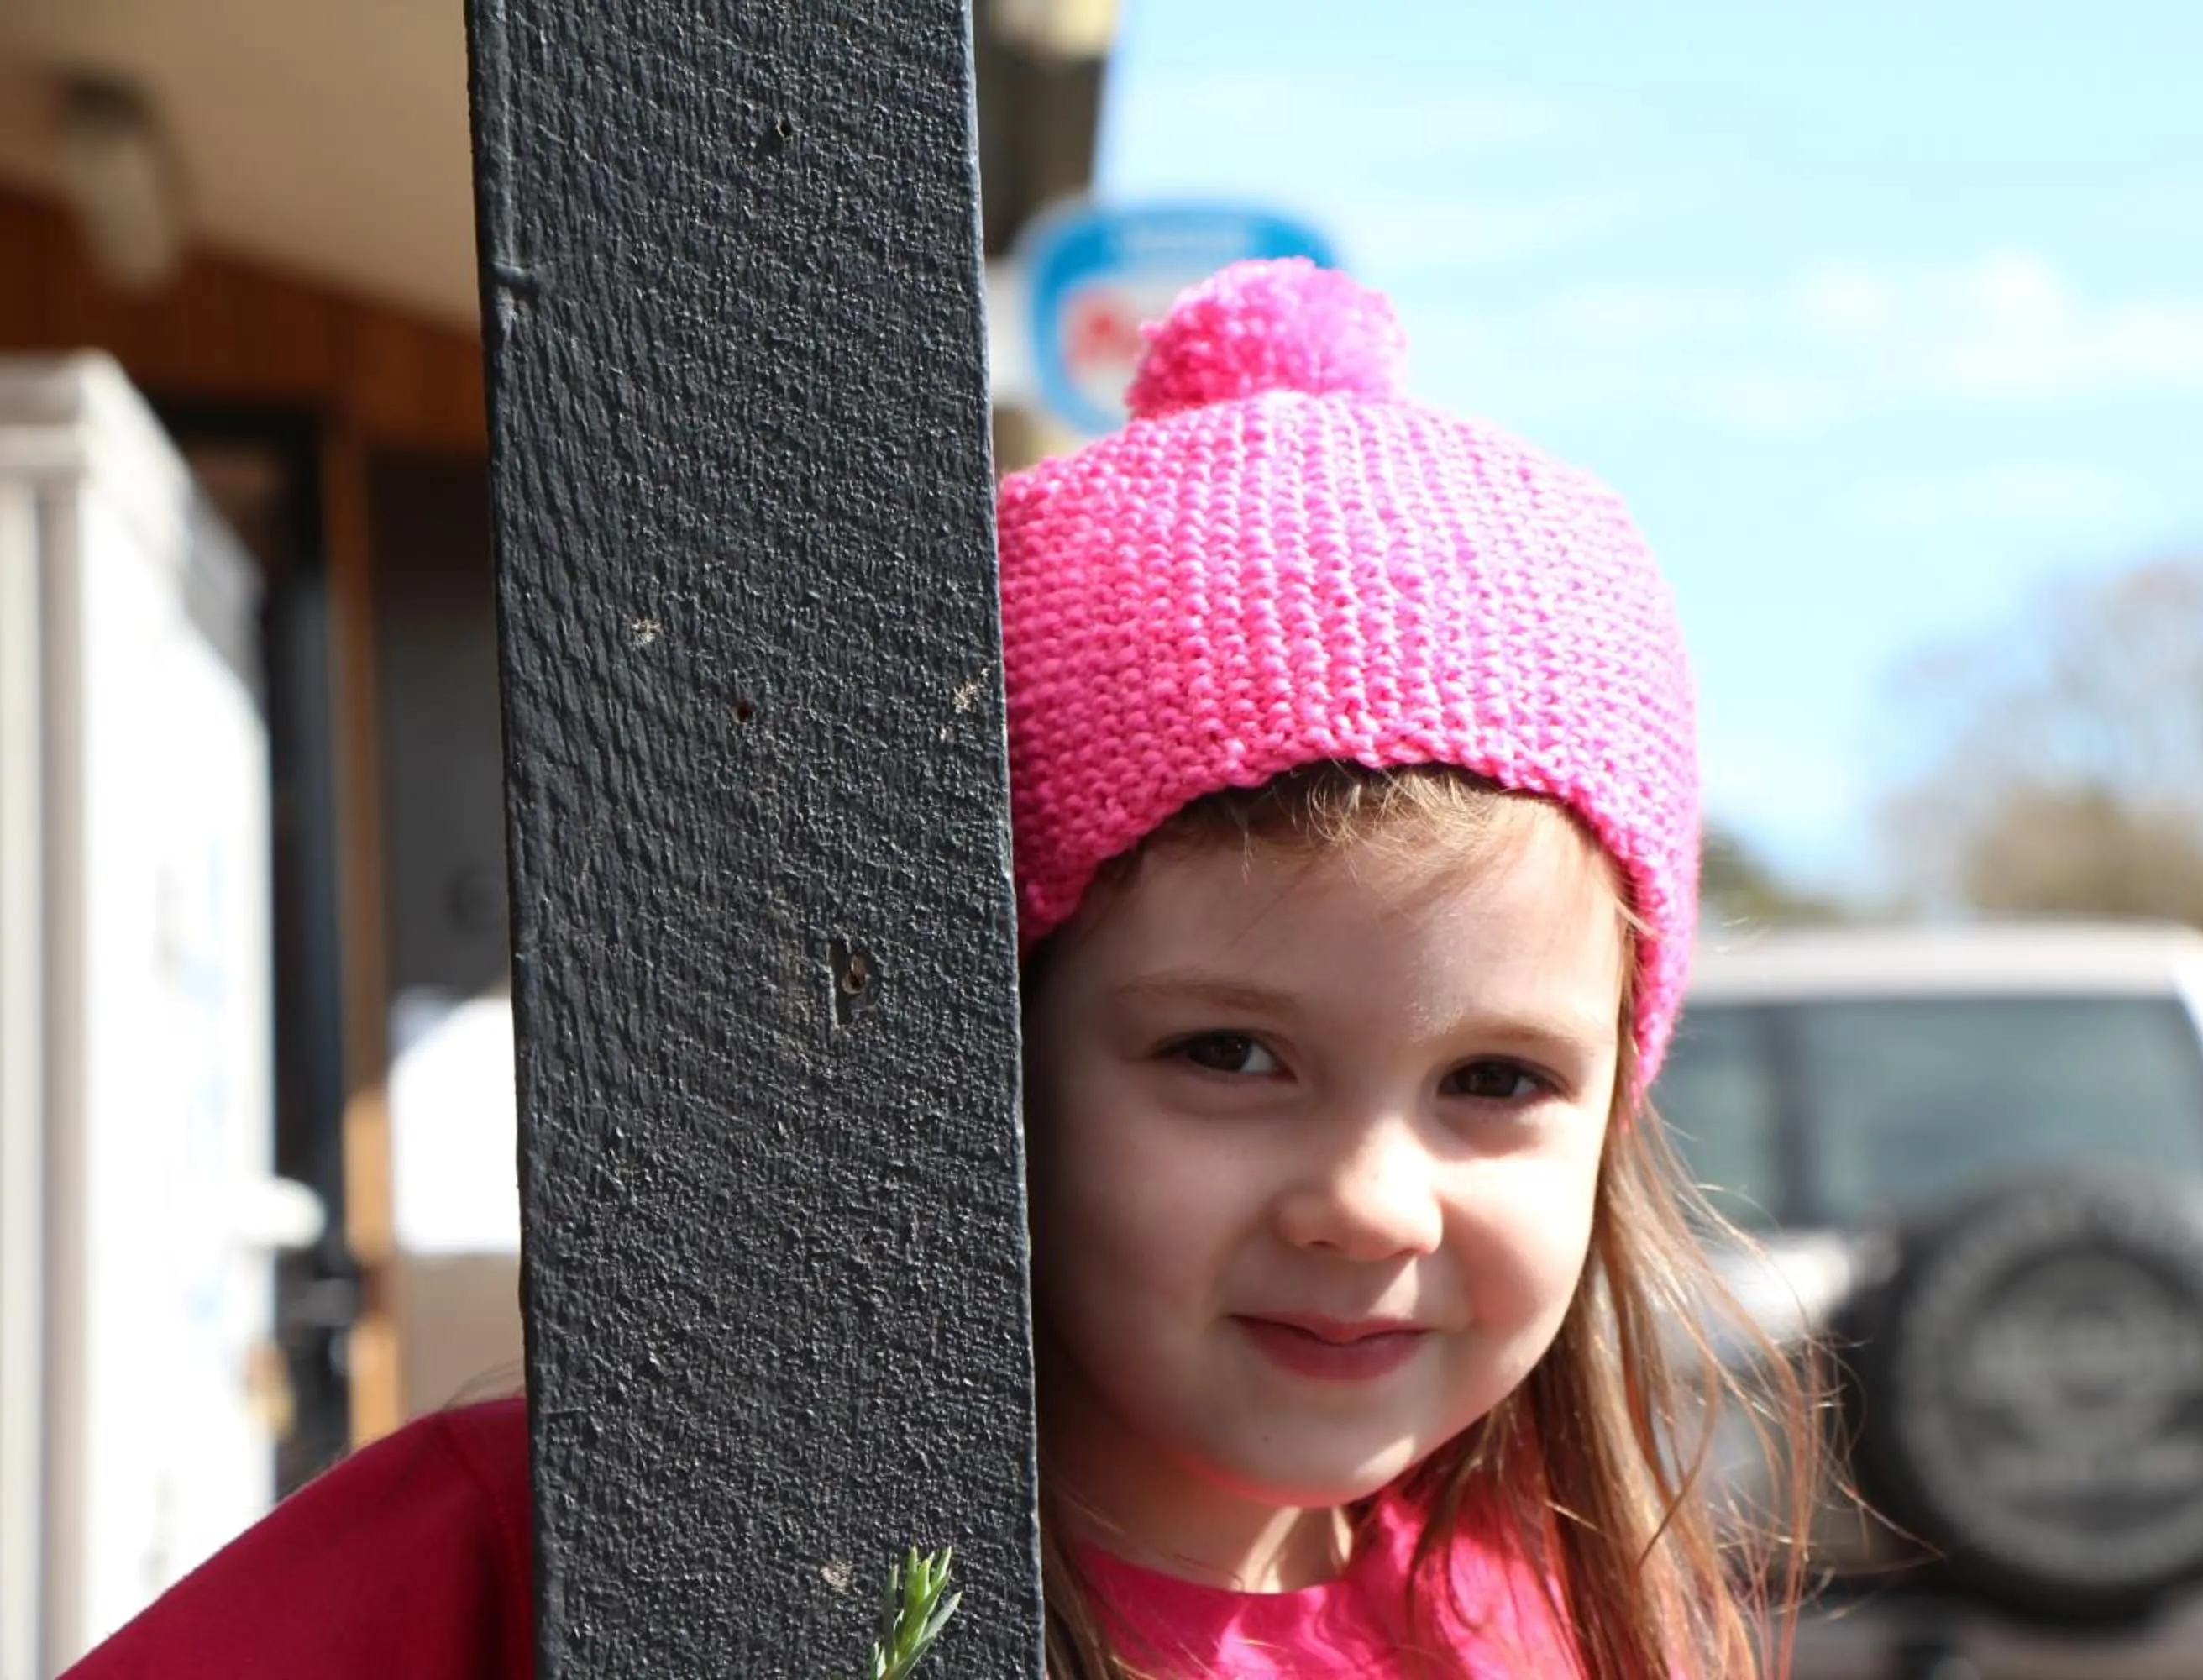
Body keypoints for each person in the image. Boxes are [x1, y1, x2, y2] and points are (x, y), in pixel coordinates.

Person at [66, 258, 1812, 1679]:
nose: (1369, 1205)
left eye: (1496, 1081)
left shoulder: (1567, 1627)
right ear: (991, 1048)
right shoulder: (535, 1548)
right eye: (1227, 1052)